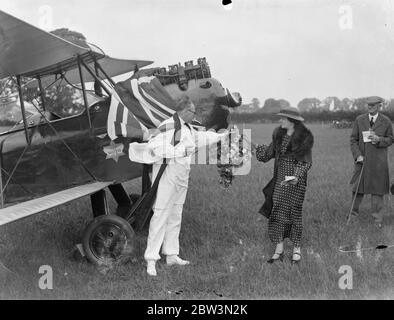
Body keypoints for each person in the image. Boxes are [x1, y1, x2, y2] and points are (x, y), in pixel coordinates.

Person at [129, 96, 229, 276]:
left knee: (176, 215)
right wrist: (179, 151)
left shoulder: (187, 127)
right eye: (193, 112)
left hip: (182, 177)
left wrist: (220, 136)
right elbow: (154, 147)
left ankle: (171, 254)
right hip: (168, 176)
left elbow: (200, 138)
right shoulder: (168, 126)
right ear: (184, 111)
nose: (195, 115)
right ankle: (151, 259)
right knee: (160, 215)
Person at [252, 107, 313, 264]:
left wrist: (296, 176)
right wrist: (252, 146)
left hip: (295, 182)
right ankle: (279, 250)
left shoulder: (303, 138)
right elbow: (266, 154)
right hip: (280, 181)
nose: (280, 121)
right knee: (277, 212)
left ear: (291, 121)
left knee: (294, 214)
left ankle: (297, 250)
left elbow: (306, 162)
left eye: (283, 118)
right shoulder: (279, 136)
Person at [349, 96, 393, 228]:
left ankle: (377, 221)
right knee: (357, 190)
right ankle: (352, 217)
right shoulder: (359, 119)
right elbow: (353, 140)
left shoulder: (385, 121)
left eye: (373, 105)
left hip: (378, 163)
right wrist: (358, 156)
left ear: (380, 106)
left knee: (378, 191)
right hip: (362, 162)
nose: (370, 107)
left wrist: (379, 139)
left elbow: (391, 139)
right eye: (368, 105)